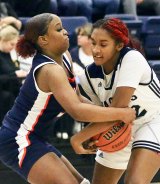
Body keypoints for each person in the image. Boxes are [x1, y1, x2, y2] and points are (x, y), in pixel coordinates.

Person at [0, 13, 135, 184]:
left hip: (36, 137)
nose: (65, 32)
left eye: (63, 27)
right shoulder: (49, 70)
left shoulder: (64, 57)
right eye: (58, 29)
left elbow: (77, 99)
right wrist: (119, 113)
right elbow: (77, 111)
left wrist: (108, 116)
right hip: (18, 139)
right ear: (43, 40)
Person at [70, 18, 160, 184]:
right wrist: (93, 134)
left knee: (135, 182)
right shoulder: (89, 76)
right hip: (119, 128)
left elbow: (118, 110)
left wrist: (78, 138)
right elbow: (102, 115)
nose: (96, 50)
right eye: (93, 43)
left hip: (152, 121)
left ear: (119, 45)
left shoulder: (132, 58)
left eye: (103, 44)